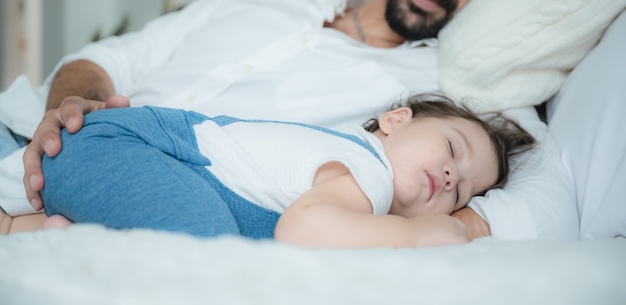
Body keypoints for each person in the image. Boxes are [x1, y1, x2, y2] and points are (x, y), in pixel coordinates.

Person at [0, 0, 546, 240]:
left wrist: (456, 229)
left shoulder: (462, 93)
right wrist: (69, 111)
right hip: (28, 133)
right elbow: (113, 56)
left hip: (139, 187)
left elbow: (551, 195)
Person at [8, 94, 535, 248]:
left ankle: (25, 229)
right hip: (127, 144)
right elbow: (303, 232)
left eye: (462, 190)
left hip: (121, 155)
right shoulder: (365, 172)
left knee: (214, 229)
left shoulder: (349, 179)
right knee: (210, 255)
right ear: (395, 121)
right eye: (451, 148)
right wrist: (424, 234)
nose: (448, 176)